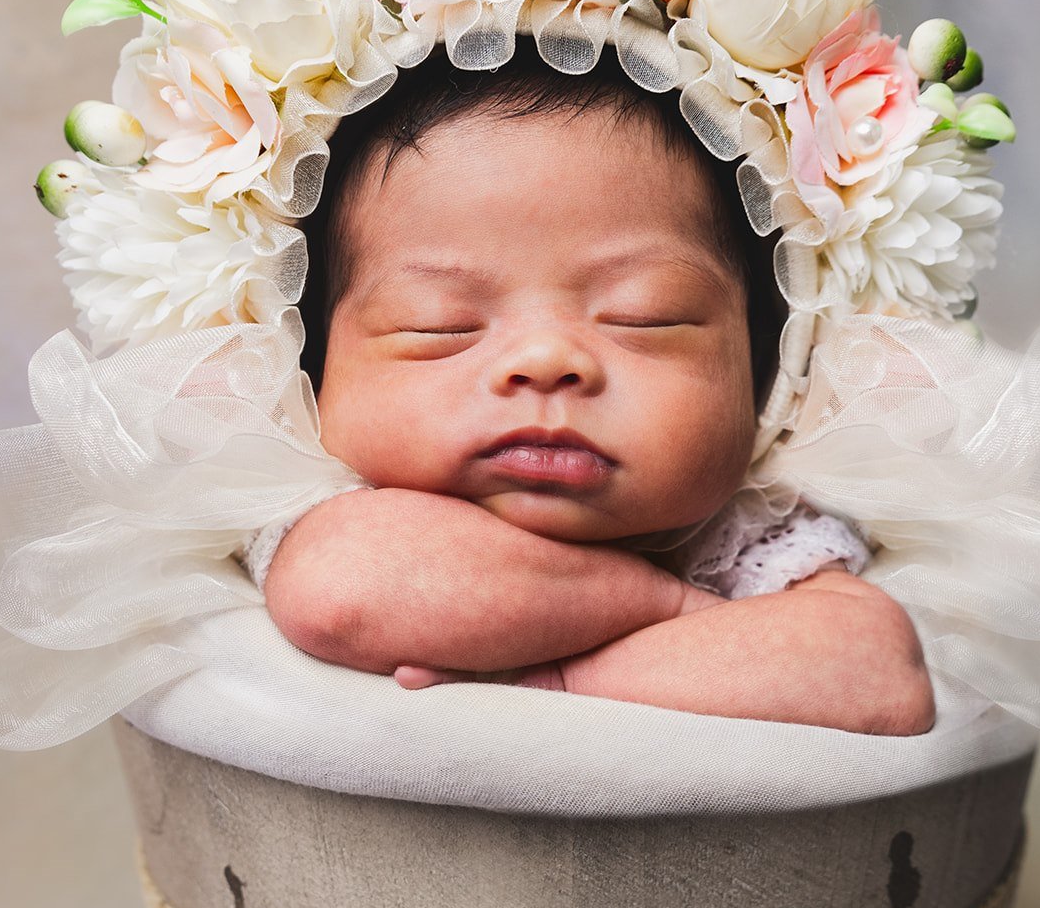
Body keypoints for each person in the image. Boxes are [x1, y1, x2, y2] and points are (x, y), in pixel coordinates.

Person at [251, 42, 935, 735]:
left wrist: (556, 678)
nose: (547, 361)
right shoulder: (297, 493)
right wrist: (676, 615)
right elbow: (338, 589)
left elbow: (881, 673)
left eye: (645, 316)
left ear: (768, 366)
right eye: (440, 325)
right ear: (310, 365)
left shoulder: (745, 531)